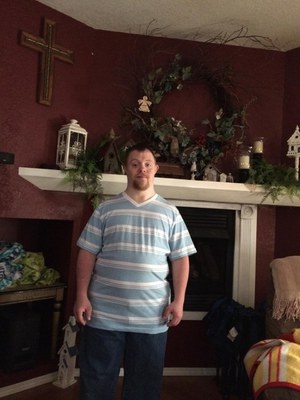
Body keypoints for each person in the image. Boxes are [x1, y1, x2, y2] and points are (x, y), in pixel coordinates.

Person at [73, 143, 197, 400]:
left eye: (147, 164)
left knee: (144, 389)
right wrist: (81, 295)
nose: (142, 169)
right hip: (103, 314)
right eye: (135, 164)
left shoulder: (170, 213)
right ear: (125, 169)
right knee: (95, 385)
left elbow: (181, 260)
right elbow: (87, 254)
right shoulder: (105, 210)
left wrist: (179, 301)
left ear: (156, 170)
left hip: (152, 318)